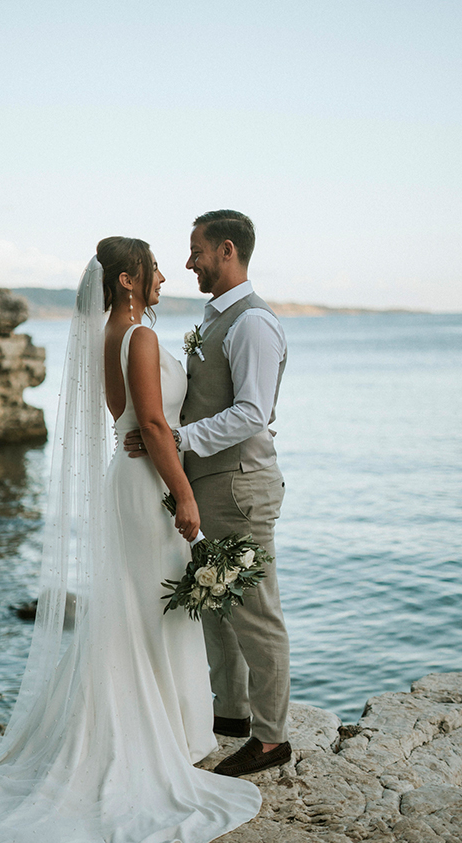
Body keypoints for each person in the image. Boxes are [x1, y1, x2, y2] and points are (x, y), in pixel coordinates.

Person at [0, 239, 260, 843]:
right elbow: (153, 425)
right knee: (149, 607)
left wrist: (149, 437)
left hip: (128, 480)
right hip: (150, 487)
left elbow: (124, 416)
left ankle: (150, 725)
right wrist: (185, 495)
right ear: (127, 279)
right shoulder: (142, 336)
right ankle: (152, 735)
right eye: (155, 267)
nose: (165, 275)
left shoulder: (110, 334)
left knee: (134, 605)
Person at [125, 211, 291, 778]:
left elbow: (252, 413)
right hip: (210, 484)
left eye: (196, 251)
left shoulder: (254, 324)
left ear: (226, 250)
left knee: (256, 613)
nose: (189, 262)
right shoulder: (217, 318)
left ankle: (271, 738)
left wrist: (176, 439)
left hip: (241, 484)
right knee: (217, 605)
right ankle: (233, 715)